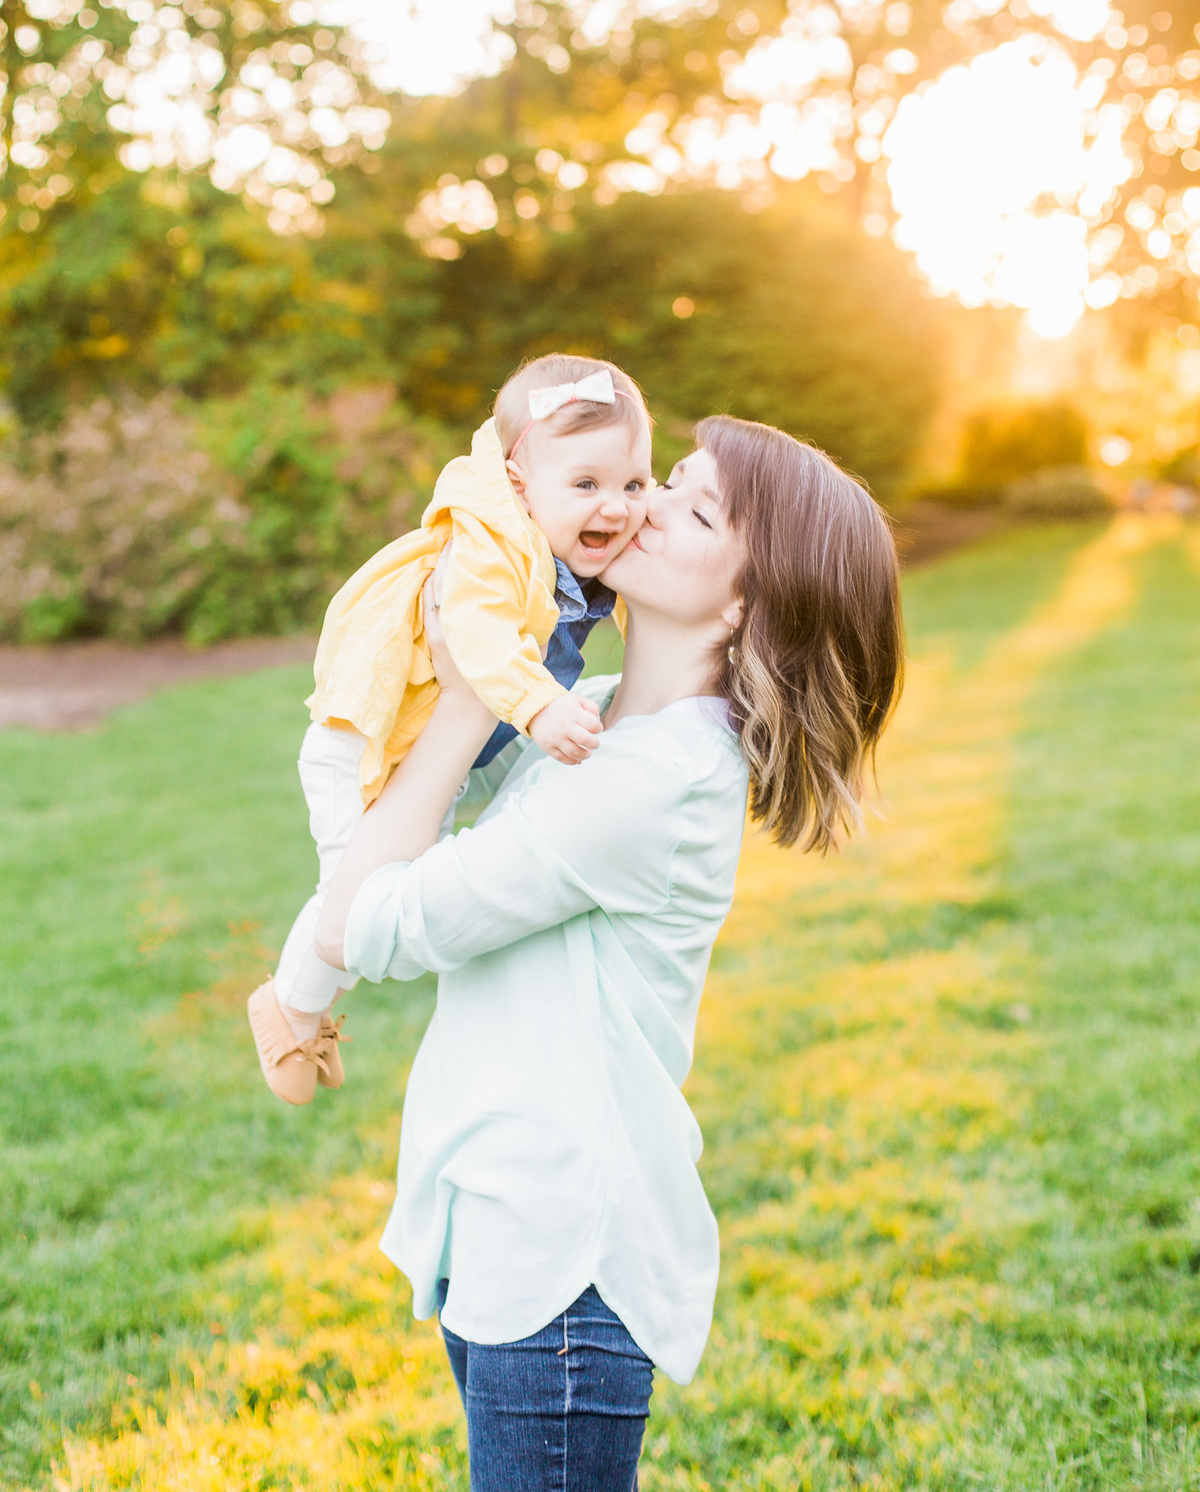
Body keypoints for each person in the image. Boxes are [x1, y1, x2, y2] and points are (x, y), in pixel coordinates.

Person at [312, 415, 905, 1492]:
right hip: (508, 1232)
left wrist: (462, 697)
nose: (645, 505)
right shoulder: (585, 720)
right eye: (663, 481)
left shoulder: (649, 778)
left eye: (697, 508)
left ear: (743, 606)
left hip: (563, 1268)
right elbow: (386, 842)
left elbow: (370, 921)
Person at [248, 354, 653, 1105]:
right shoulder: (489, 545)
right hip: (361, 741)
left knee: (389, 883)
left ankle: (311, 1003)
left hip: (438, 751)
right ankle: (290, 1011)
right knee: (355, 892)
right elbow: (476, 634)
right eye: (588, 484)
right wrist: (537, 706)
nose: (618, 507)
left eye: (634, 483)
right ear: (520, 482)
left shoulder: (568, 544)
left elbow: (638, 606)